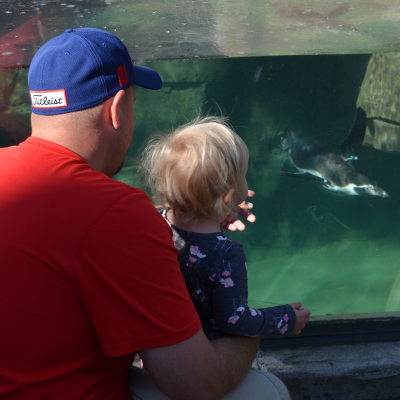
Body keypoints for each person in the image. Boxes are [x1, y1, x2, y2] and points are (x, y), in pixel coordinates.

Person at [0, 27, 290, 400]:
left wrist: (199, 217)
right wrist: (251, 332)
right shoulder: (116, 213)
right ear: (118, 108)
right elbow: (196, 384)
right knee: (265, 392)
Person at [140, 117, 311, 342]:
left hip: (159, 349)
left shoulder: (151, 222)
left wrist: (215, 206)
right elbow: (234, 321)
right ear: (228, 195)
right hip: (205, 356)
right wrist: (285, 319)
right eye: (244, 175)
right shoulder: (226, 254)